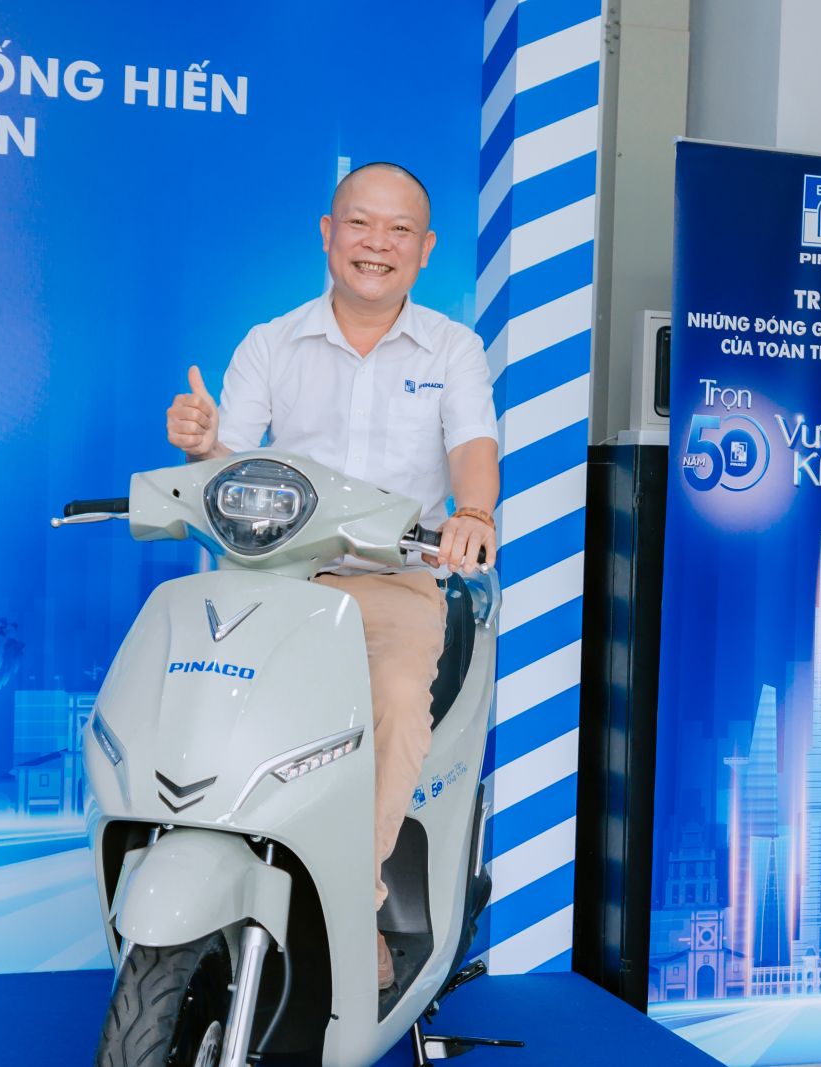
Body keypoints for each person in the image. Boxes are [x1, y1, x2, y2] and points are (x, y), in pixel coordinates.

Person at [165, 162, 499, 993]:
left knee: (396, 700)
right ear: (327, 232)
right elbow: (230, 463)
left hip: (395, 581)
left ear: (425, 249)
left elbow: (472, 446)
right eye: (359, 223)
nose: (376, 244)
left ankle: (353, 899)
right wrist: (205, 446)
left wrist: (473, 512)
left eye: (398, 230)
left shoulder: (452, 348)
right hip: (276, 579)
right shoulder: (270, 342)